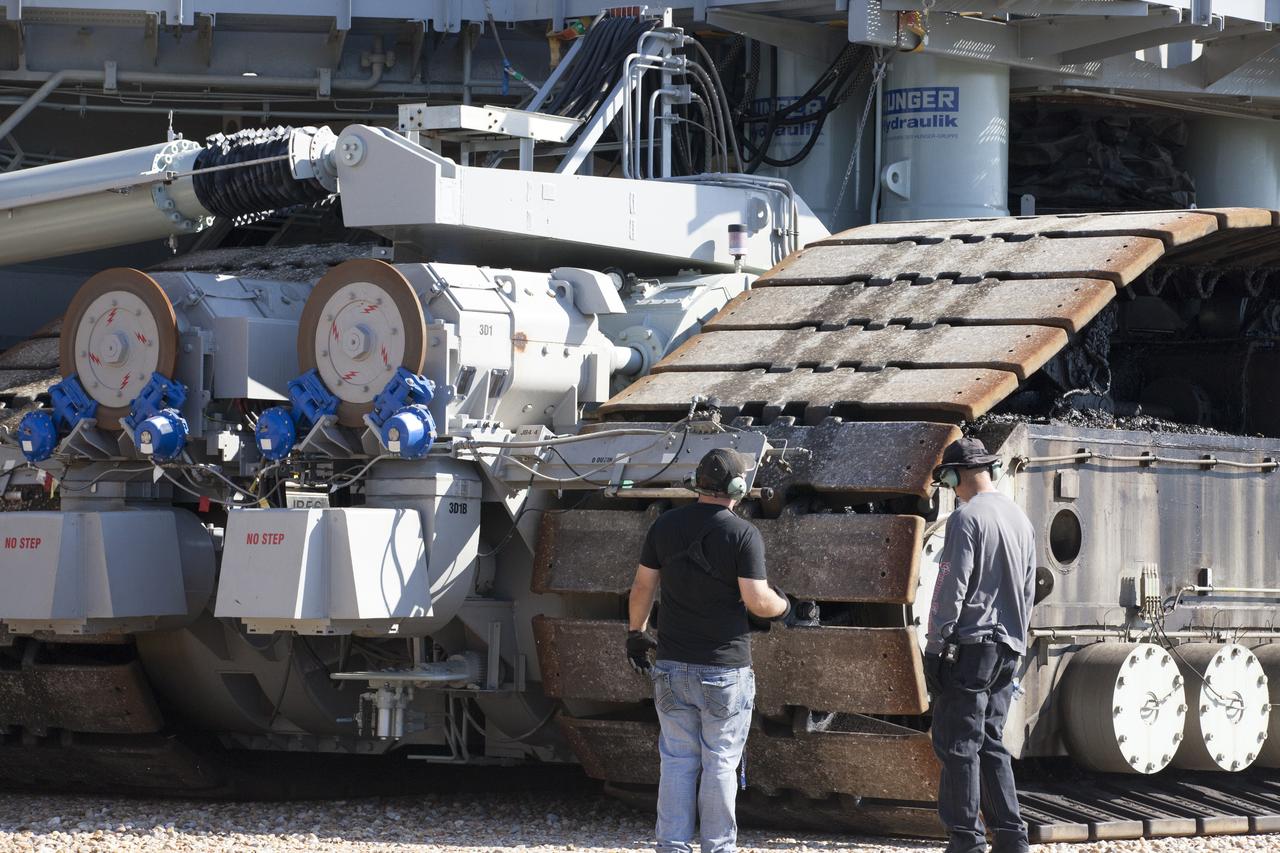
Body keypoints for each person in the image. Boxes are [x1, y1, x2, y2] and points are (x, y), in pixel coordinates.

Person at [624, 448, 794, 853]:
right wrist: (786, 606)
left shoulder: (665, 526)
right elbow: (757, 601)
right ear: (738, 488)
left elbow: (643, 587)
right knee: (719, 761)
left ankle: (672, 845)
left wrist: (636, 633)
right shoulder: (742, 534)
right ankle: (717, 848)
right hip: (723, 671)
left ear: (697, 483)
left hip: (670, 668)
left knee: (678, 761)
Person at [924, 436, 1036, 853]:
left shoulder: (966, 517)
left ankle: (966, 841)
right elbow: (1027, 591)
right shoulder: (1020, 519)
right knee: (990, 740)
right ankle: (1011, 836)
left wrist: (935, 645)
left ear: (957, 475)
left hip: (973, 649)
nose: (950, 487)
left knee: (957, 744)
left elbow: (951, 585)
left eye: (948, 478)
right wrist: (1019, 645)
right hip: (1009, 648)